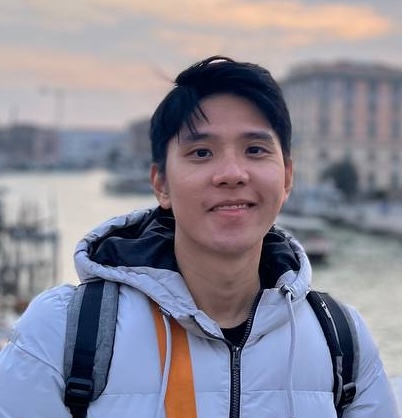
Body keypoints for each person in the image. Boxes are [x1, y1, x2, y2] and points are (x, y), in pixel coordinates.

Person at [0, 56, 399, 418]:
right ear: (161, 184)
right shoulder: (58, 332)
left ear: (287, 178)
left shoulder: (342, 340)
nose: (232, 174)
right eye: (202, 153)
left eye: (255, 150)